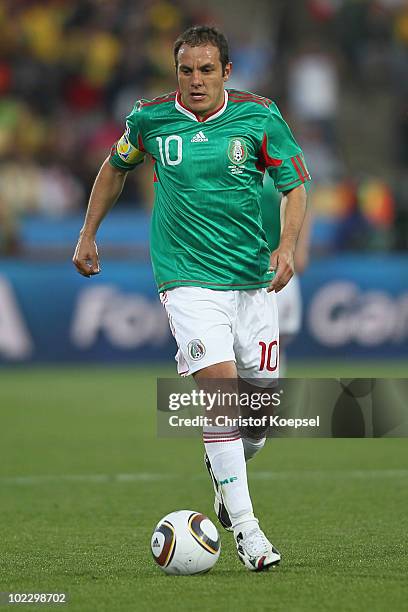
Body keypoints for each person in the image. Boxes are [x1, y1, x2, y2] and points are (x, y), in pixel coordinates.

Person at [73, 25, 311, 572]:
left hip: (252, 281)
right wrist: (88, 234)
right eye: (186, 71)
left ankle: (222, 476)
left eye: (207, 70)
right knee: (221, 398)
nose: (196, 81)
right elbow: (114, 167)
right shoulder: (150, 119)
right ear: (175, 71)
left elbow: (296, 185)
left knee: (258, 421)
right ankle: (250, 535)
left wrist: (287, 246)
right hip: (186, 280)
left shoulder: (259, 117)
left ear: (227, 71)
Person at [260, 173, 312, 373]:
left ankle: (270, 394)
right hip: (244, 265)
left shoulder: (280, 165)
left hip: (278, 264)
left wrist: (300, 248)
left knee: (279, 336)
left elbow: (304, 200)